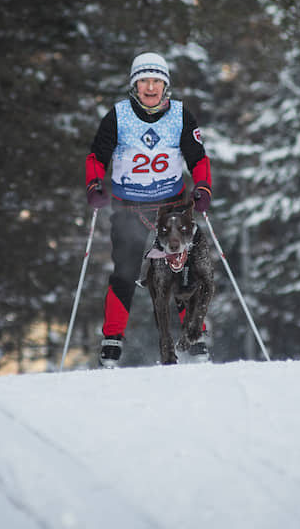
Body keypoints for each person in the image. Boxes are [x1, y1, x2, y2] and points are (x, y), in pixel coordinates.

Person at [85, 52, 212, 367]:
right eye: (144, 81)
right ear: (135, 85)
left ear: (166, 85)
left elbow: (198, 158)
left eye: (157, 81)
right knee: (125, 271)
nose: (151, 87)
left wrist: (203, 187)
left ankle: (195, 338)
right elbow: (96, 157)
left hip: (172, 205)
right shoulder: (117, 116)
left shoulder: (181, 115)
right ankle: (112, 339)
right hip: (130, 206)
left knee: (180, 266)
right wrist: (94, 185)